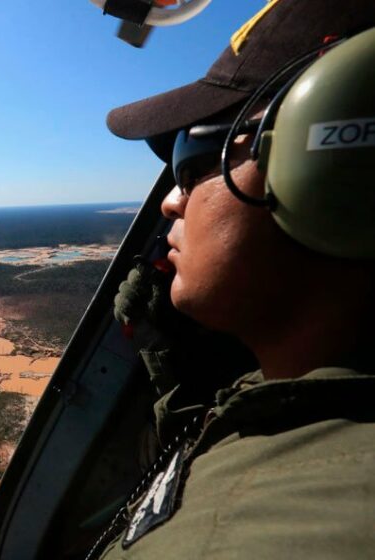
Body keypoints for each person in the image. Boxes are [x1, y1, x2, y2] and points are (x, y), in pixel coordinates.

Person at [92, 1, 375, 558]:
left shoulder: (272, 531)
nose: (172, 201)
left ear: (333, 155)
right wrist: (174, 364)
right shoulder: (278, 407)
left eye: (193, 154)